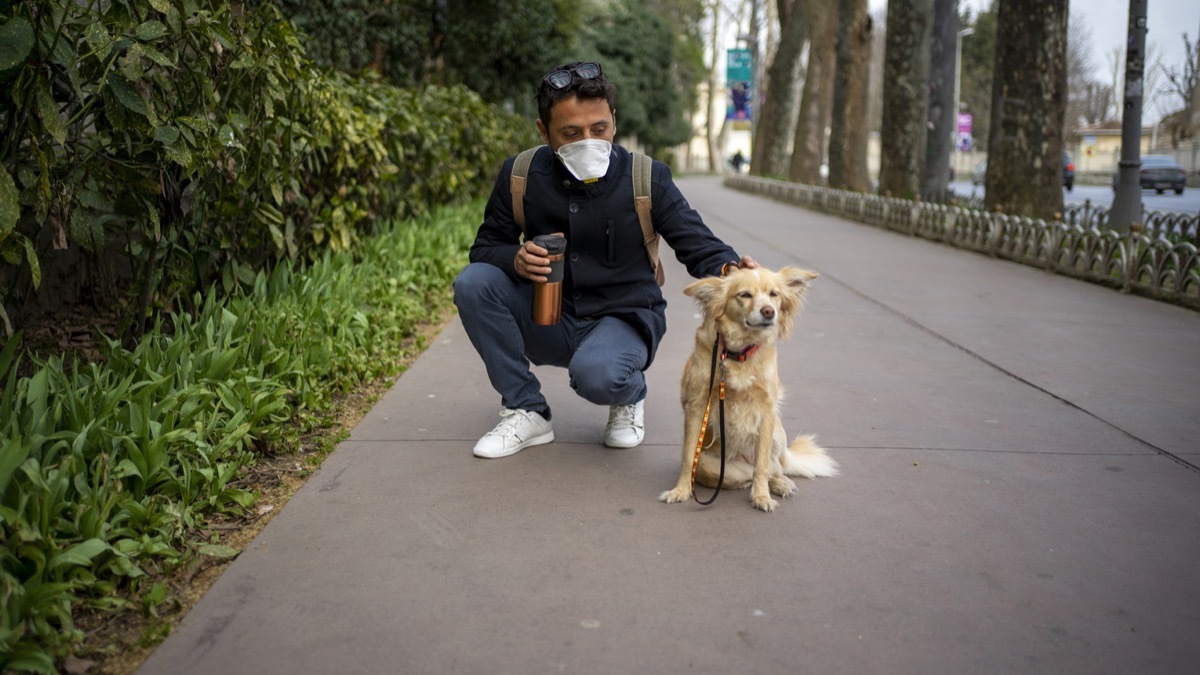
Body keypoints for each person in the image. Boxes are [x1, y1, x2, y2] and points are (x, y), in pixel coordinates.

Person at [453, 61, 756, 459]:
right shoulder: (521, 175)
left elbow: (696, 243)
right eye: (571, 133)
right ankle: (526, 409)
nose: (589, 142)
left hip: (624, 320)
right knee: (472, 282)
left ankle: (629, 394)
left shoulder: (647, 178)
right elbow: (486, 248)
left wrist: (732, 270)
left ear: (614, 120)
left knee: (597, 375)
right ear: (544, 132)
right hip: (549, 317)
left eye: (599, 129)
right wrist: (516, 258)